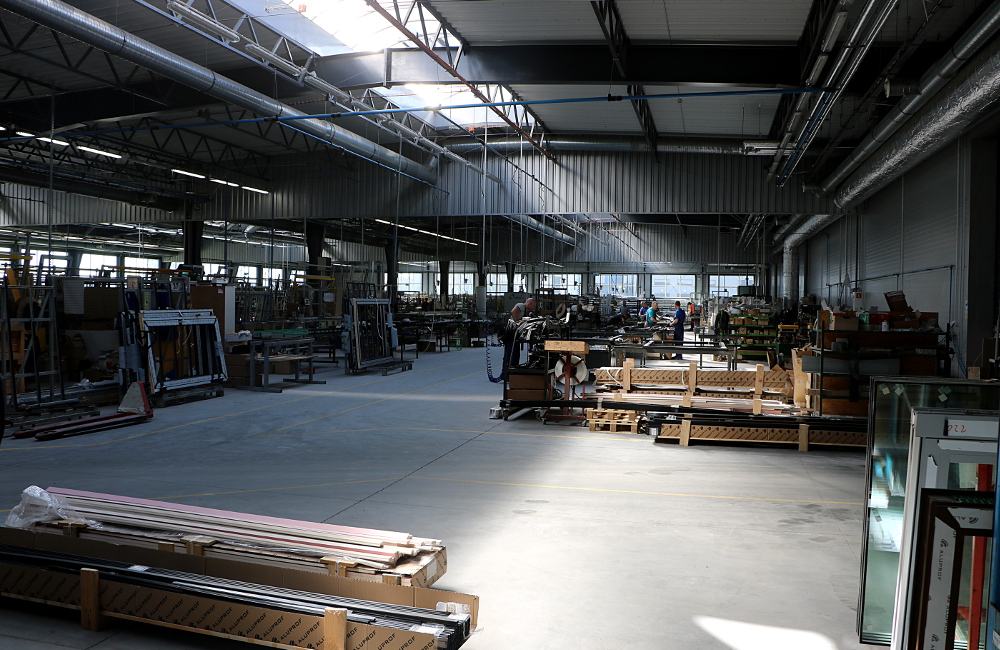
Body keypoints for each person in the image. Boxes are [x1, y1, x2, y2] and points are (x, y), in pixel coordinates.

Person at [503, 297, 536, 378]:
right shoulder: (521, 305)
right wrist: (517, 322)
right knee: (510, 354)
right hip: (511, 333)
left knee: (515, 354)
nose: (533, 308)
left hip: (517, 334)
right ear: (529, 303)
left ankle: (513, 373)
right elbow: (513, 312)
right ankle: (506, 375)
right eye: (533, 306)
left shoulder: (526, 311)